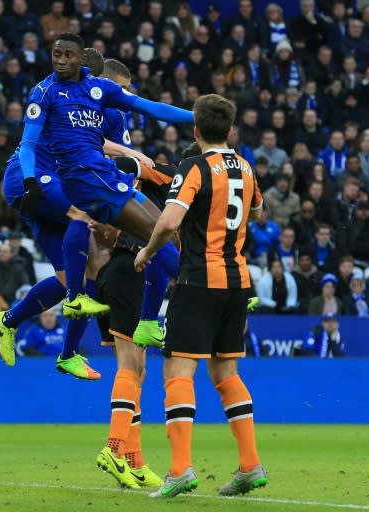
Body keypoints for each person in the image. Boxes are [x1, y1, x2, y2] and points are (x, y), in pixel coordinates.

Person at [18, 33, 192, 351]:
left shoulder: (101, 92)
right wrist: (29, 180)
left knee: (171, 231)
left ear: (81, 59)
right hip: (85, 181)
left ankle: (147, 319)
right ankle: (201, 290)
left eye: (68, 54)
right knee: (154, 233)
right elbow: (28, 143)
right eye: (56, 53)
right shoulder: (44, 92)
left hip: (108, 177)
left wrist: (197, 117)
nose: (60, 59)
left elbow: (151, 108)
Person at [133, 94, 267, 498]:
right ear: (229, 129)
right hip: (237, 281)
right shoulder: (245, 167)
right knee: (226, 373)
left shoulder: (194, 166)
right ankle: (250, 465)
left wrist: (147, 251)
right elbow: (256, 210)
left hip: (198, 280)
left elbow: (170, 219)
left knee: (177, 371)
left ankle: (179, 470)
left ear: (195, 130)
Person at [91, 142, 196, 490]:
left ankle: (133, 461)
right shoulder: (172, 175)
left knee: (136, 368)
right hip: (129, 272)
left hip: (118, 273)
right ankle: (114, 448)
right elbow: (130, 165)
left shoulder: (181, 197)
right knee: (130, 368)